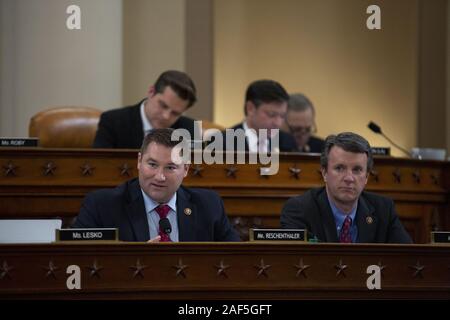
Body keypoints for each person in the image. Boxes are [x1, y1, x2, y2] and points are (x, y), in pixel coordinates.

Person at [74, 128, 240, 242]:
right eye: (152, 165)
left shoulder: (209, 205)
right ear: (139, 161)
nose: (160, 177)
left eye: (170, 167)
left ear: (186, 169)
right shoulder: (101, 206)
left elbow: (234, 259)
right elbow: (80, 262)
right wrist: (138, 260)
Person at [280, 132, 412, 243]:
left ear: (366, 177)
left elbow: (407, 259)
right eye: (339, 168)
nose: (349, 178)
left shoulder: (384, 210)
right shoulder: (300, 210)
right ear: (324, 173)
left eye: (357, 170)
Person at [93, 70, 199, 148]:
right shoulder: (113, 122)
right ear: (151, 92)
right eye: (163, 105)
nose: (166, 116)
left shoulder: (190, 130)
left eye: (175, 113)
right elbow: (100, 169)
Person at [224, 80, 297, 153]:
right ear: (250, 108)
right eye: (271, 115)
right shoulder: (222, 143)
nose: (278, 123)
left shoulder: (288, 143)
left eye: (282, 116)